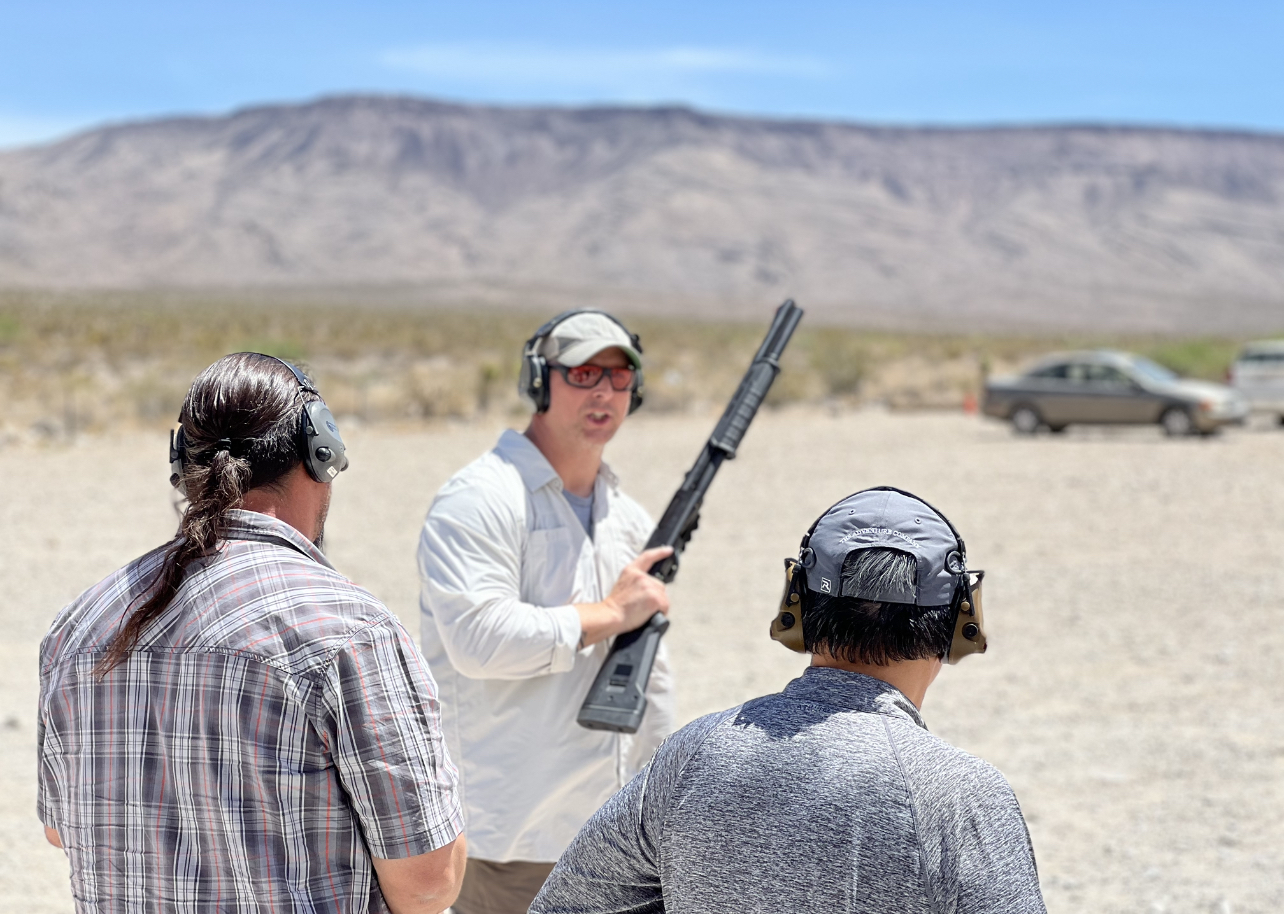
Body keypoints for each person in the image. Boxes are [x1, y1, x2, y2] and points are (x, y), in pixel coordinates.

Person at [37, 353, 466, 914]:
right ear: (322, 451)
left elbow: (59, 830)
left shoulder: (78, 625)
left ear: (183, 465)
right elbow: (426, 882)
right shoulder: (348, 630)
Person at [532, 486, 1047, 914]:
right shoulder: (963, 795)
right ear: (961, 623)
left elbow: (565, 906)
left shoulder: (692, 753)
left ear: (795, 608)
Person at [417, 311, 676, 914]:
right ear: (541, 380)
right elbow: (479, 639)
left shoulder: (629, 519)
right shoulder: (480, 499)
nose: (605, 391)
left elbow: (651, 682)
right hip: (510, 841)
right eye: (584, 373)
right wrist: (609, 612)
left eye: (619, 376)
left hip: (613, 839)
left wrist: (662, 809)